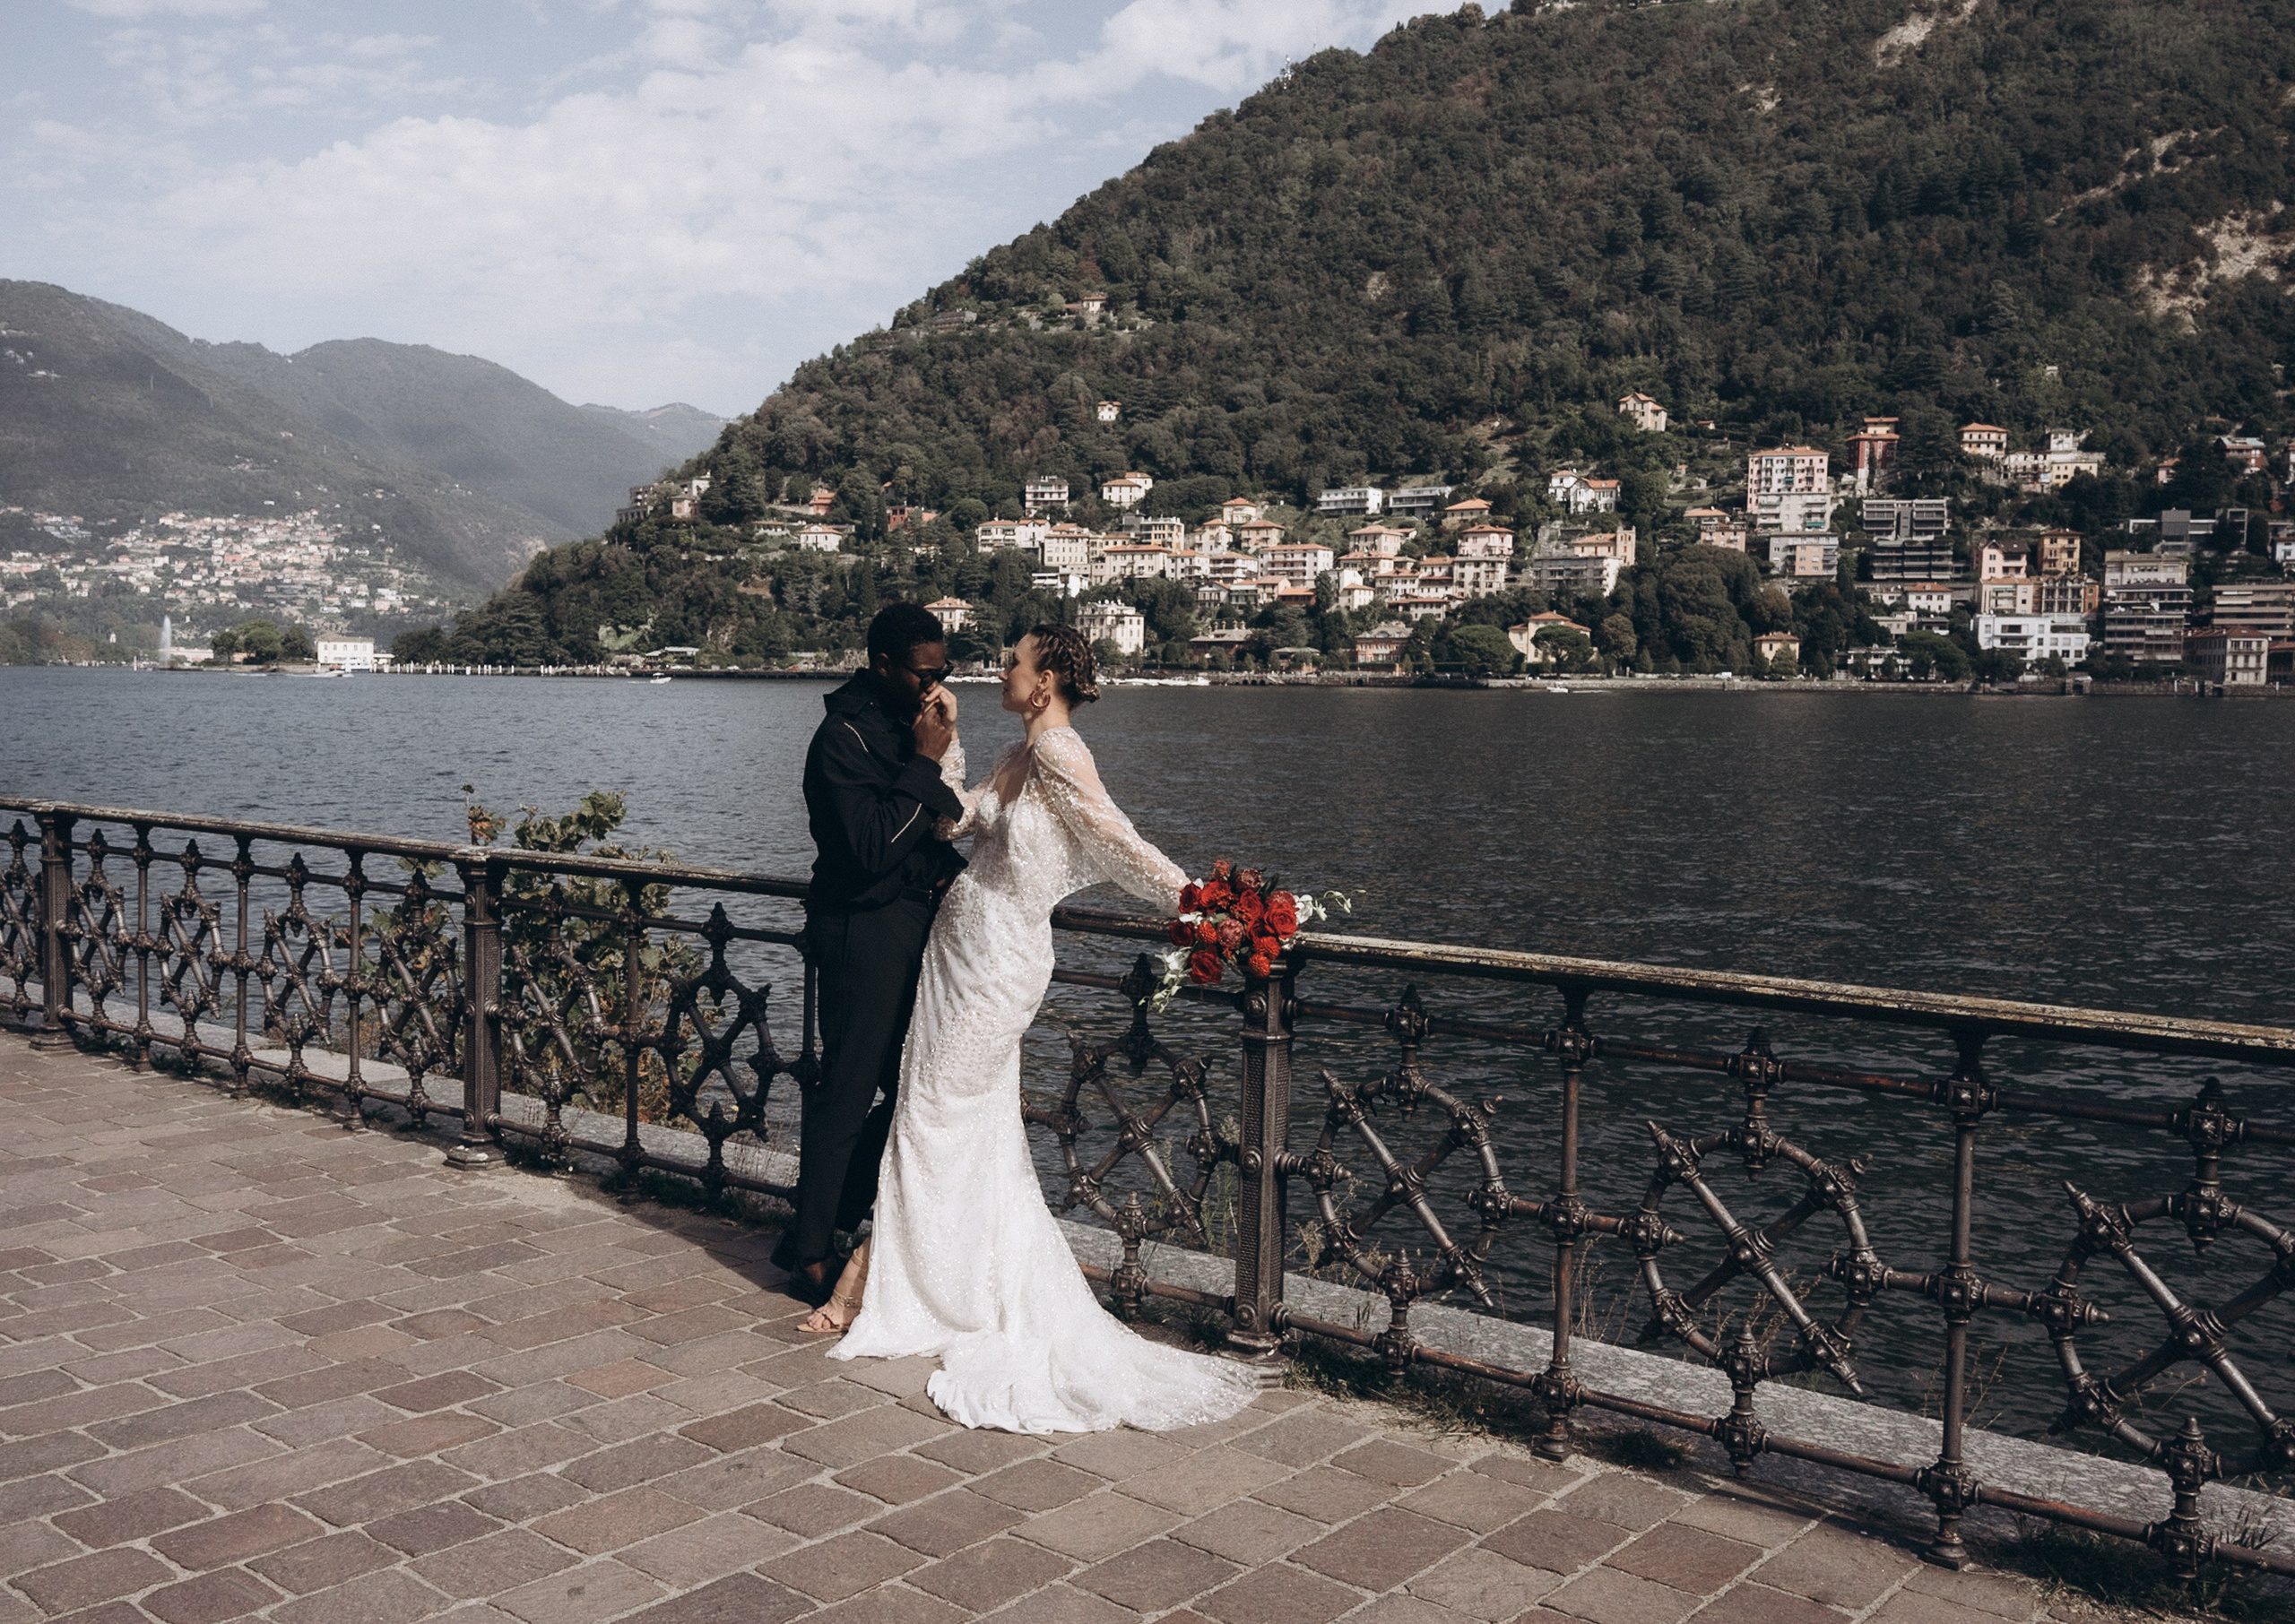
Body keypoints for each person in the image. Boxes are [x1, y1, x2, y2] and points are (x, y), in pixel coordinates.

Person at [799, 623, 1260, 1435]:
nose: (998, 671)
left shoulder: (1060, 754)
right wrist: (939, 750)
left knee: (935, 1113)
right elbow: (956, 822)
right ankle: (927, 1281)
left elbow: (1117, 840)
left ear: (1043, 682)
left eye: (1012, 662)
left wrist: (1200, 904)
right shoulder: (1019, 755)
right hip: (957, 952)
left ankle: (862, 1286)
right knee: (945, 1118)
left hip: (1002, 959)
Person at [775, 602, 966, 1307]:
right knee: (848, 1094)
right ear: (882, 665)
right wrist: (923, 761)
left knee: (919, 1086)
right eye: (923, 671)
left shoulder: (902, 723)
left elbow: (927, 835)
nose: (935, 683)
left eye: (943, 669)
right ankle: (811, 1255)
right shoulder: (841, 738)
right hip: (860, 929)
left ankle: (814, 1229)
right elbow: (871, 848)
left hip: (910, 929)